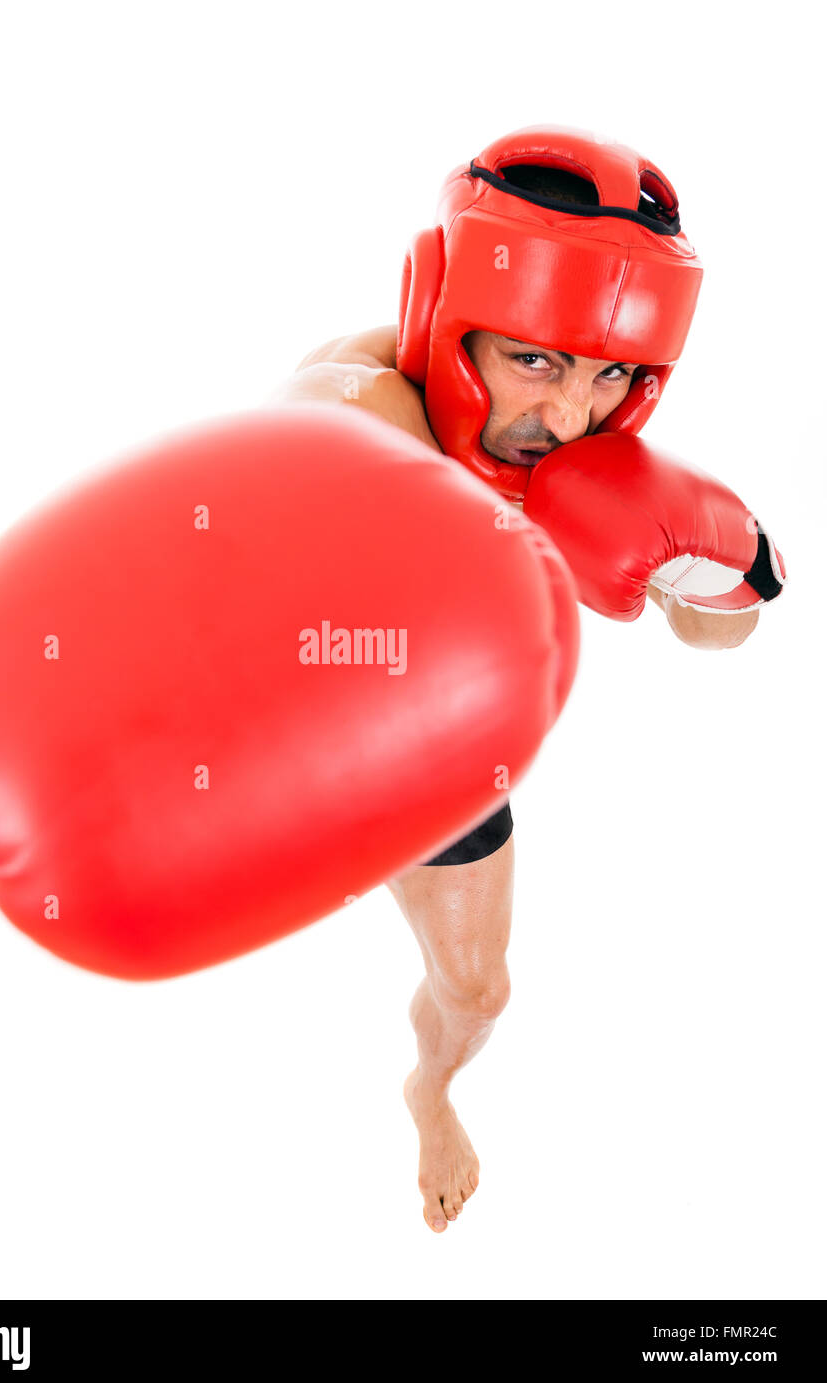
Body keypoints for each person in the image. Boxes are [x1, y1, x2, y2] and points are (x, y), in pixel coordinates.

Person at [271, 126, 768, 1235]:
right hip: (275, 721)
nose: (569, 417)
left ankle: (429, 1090)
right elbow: (310, 459)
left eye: (609, 375)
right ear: (450, 328)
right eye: (535, 360)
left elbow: (717, 639)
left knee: (480, 992)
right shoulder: (356, 406)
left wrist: (718, 566)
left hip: (440, 748)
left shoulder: (575, 454)